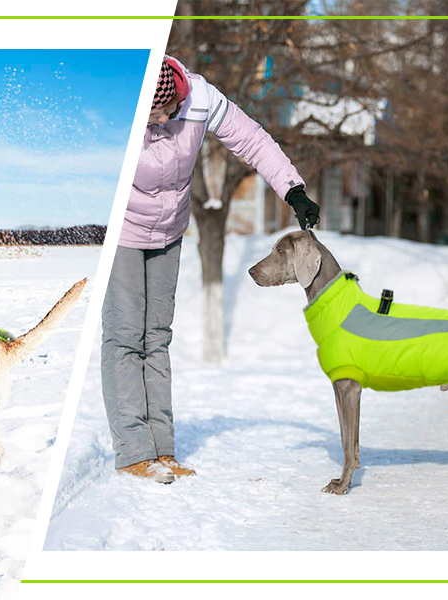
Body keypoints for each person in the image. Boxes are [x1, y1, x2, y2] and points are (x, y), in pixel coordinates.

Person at [101, 57, 320, 483]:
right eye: (152, 116)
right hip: (124, 230)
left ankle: (162, 450)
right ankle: (133, 451)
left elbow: (252, 141)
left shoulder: (199, 97)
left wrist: (293, 190)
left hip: (170, 229)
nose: (162, 121)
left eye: (167, 112)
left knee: (157, 337)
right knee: (126, 336)